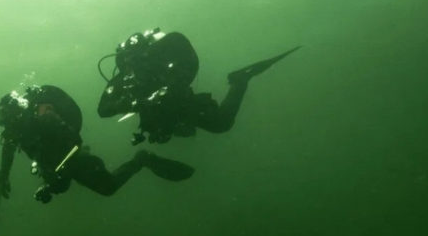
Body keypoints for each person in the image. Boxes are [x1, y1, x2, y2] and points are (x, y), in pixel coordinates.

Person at [0, 84, 194, 203]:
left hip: (71, 154)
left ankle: (142, 159)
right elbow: (8, 148)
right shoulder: (15, 129)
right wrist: (4, 175)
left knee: (108, 188)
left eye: (8, 124)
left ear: (16, 117)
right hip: (54, 158)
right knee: (59, 186)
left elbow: (74, 140)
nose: (8, 132)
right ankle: (57, 179)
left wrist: (63, 168)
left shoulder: (44, 117)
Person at [97, 28, 299, 147]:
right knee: (184, 129)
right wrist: (130, 103)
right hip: (163, 117)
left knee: (221, 124)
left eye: (137, 60)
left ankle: (239, 80)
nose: (133, 67)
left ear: (147, 54)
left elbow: (181, 50)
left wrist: (170, 88)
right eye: (128, 64)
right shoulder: (123, 78)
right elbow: (102, 110)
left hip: (182, 105)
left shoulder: (160, 65)